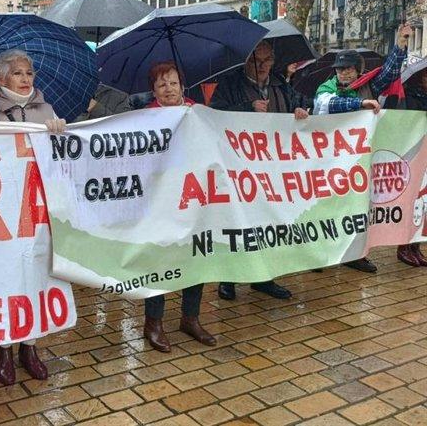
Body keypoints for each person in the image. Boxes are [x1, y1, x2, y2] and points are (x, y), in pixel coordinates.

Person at [0, 49, 65, 386]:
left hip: (38, 207)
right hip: (3, 211)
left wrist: (58, 134)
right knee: (6, 278)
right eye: (17, 73)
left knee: (36, 274)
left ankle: (30, 347)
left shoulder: (48, 111)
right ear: (1, 79)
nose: (25, 79)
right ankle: (4, 349)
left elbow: (59, 160)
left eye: (29, 73)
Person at [210, 40, 309, 301]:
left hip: (271, 168)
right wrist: (247, 109)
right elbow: (214, 115)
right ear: (247, 61)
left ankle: (263, 276)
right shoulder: (230, 84)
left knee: (266, 221)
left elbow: (298, 102)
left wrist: (300, 109)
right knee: (236, 220)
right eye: (259, 61)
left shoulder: (279, 84)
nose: (264, 66)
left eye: (269, 60)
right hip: (238, 167)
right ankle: (228, 278)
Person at [313, 23, 411, 273]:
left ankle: (354, 253)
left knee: (357, 207)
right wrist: (359, 105)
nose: (342, 74)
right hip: (330, 161)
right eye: (339, 69)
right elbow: (327, 105)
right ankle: (319, 254)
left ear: (358, 70)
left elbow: (389, 73)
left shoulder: (370, 85)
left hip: (359, 162)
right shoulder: (327, 89)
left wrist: (400, 44)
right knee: (326, 207)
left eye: (347, 69)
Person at [142, 62, 216, 351]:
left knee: (194, 255)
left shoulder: (198, 113)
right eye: (162, 85)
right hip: (158, 200)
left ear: (182, 86)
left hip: (194, 198)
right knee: (159, 259)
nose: (169, 89)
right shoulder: (143, 119)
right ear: (154, 91)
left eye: (173, 83)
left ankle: (191, 317)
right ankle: (154, 323)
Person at [398, 64, 427, 266]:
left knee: (424, 203)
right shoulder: (409, 96)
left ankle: (416, 245)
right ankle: (403, 246)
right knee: (411, 200)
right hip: (413, 154)